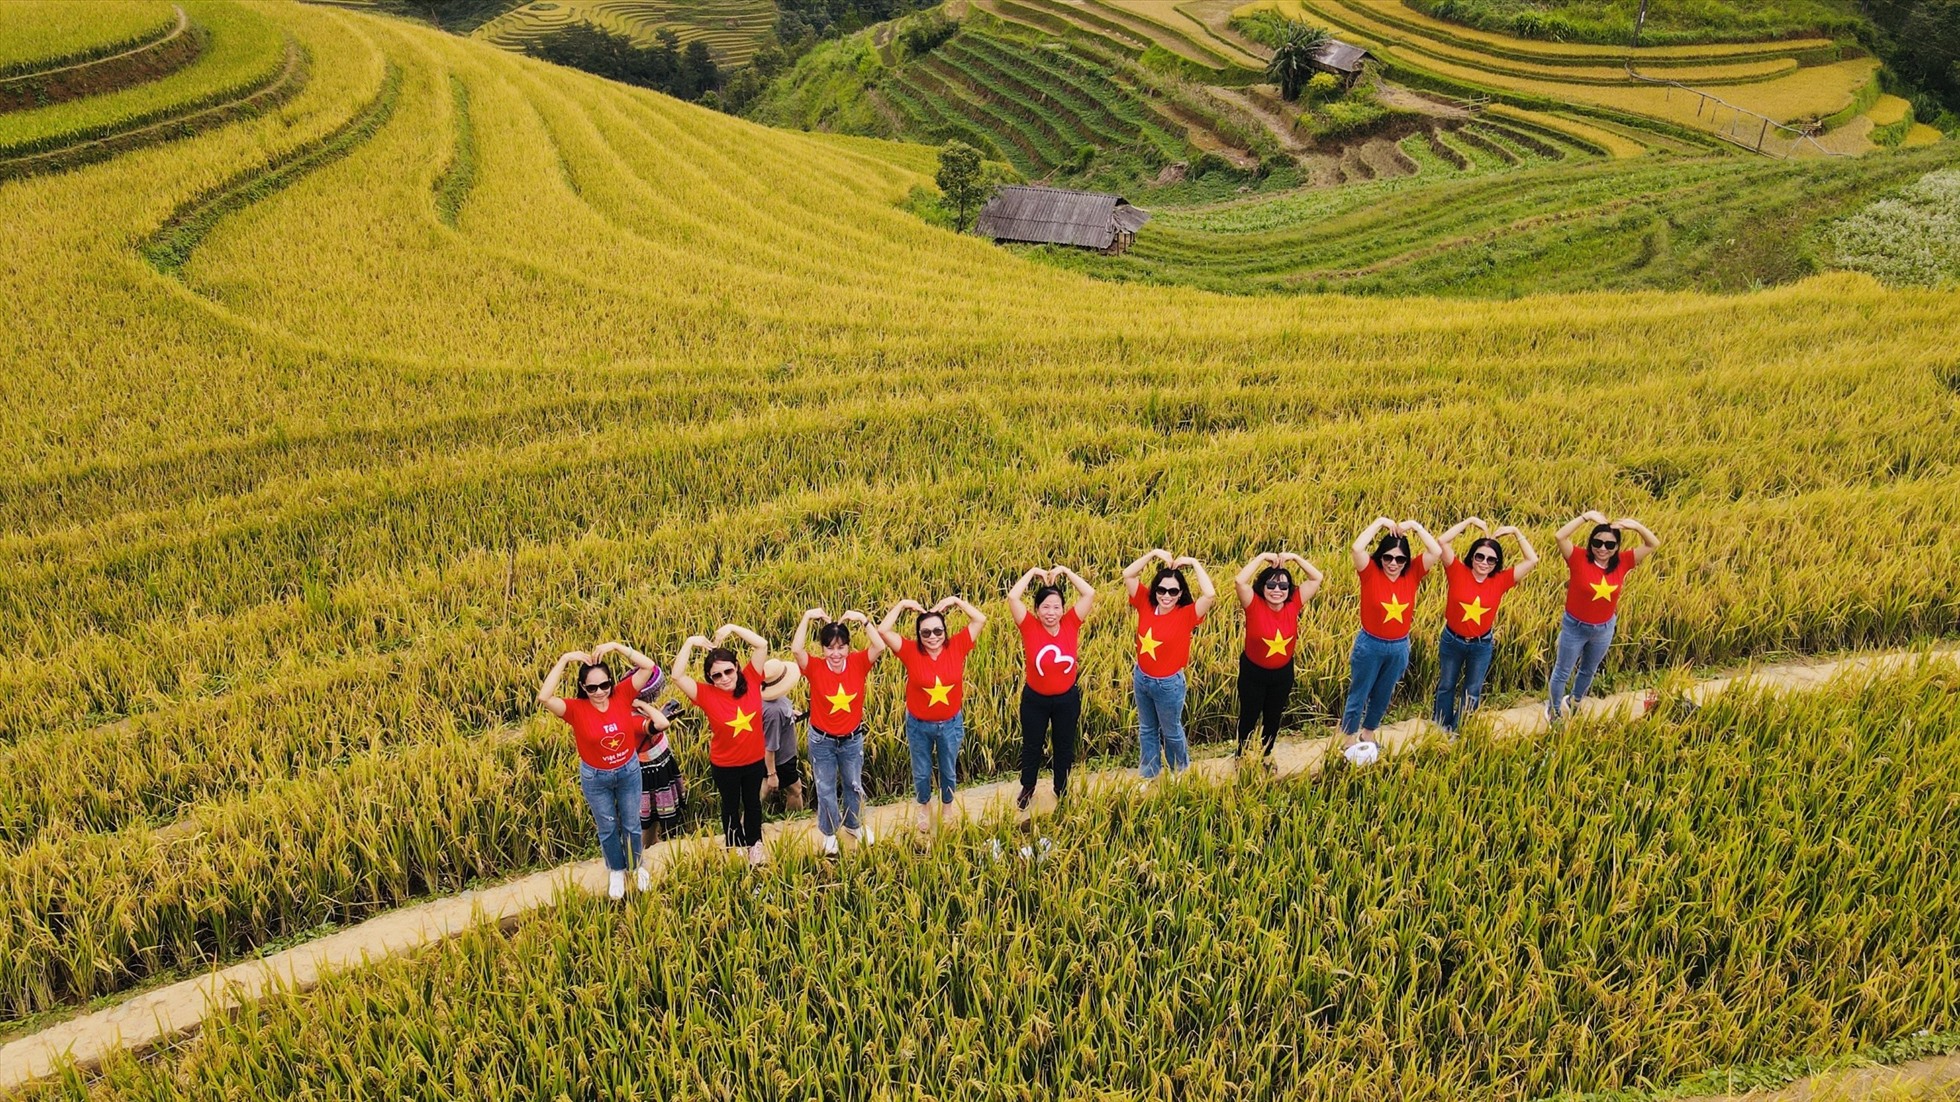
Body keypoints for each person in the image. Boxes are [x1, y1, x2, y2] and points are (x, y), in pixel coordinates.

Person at [536, 641, 661, 900]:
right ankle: (616, 869)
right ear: (583, 688)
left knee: (631, 824)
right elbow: (545, 697)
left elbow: (649, 666)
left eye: (605, 685)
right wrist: (564, 659)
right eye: (592, 687)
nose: (600, 691)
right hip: (596, 777)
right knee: (607, 826)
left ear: (611, 683)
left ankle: (637, 867)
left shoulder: (622, 695)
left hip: (628, 771)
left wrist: (617, 647)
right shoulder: (575, 709)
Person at [876, 595, 986, 833]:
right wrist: (903, 604)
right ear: (919, 635)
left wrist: (956, 601)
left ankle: (947, 806)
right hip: (918, 725)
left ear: (945, 631)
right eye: (926, 633)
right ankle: (924, 806)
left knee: (948, 768)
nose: (933, 637)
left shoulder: (956, 647)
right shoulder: (910, 652)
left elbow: (980, 619)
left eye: (938, 631)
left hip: (950, 724)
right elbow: (883, 630)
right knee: (922, 770)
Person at [672, 625, 776, 866]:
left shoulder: (751, 679)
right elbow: (677, 676)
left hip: (753, 760)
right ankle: (735, 844)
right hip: (725, 764)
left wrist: (731, 628)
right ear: (710, 678)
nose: (724, 678)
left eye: (728, 671)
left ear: (737, 668)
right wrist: (689, 642)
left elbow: (761, 644)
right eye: (716, 675)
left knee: (752, 803)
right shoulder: (706, 694)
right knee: (729, 805)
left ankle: (755, 843)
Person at [1341, 517, 1443, 757]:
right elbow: (1357, 548)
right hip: (1370, 644)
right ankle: (1348, 740)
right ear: (1381, 557)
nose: (1393, 563)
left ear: (1406, 560)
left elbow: (1435, 551)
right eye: (1388, 557)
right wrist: (1380, 522)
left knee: (1384, 693)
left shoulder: (1413, 574)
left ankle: (1368, 734)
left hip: (1399, 647)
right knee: (1360, 692)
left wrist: (1415, 527)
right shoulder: (1370, 573)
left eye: (1399, 558)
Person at [791, 608, 886, 856]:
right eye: (830, 648)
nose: (836, 653)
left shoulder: (858, 663)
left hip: (852, 739)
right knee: (825, 788)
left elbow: (879, 646)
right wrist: (806, 617)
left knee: (854, 784)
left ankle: (854, 825)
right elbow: (796, 650)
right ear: (822, 649)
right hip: (822, 740)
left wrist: (863, 619)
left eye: (841, 647)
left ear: (848, 648)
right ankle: (829, 832)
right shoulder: (815, 668)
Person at [1548, 511, 1660, 719]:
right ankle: (1553, 710)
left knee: (1589, 670)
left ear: (1617, 547)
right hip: (1575, 626)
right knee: (1563, 672)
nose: (1602, 548)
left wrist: (1635, 525)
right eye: (1597, 543)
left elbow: (1653, 543)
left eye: (1609, 545)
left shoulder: (1624, 562)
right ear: (1591, 543)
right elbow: (1559, 536)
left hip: (1604, 628)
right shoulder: (1578, 557)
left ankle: (1575, 701)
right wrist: (1586, 517)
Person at [1431, 518, 1539, 732]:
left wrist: (1516, 531)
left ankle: (1458, 729)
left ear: (1496, 564)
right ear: (1472, 556)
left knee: (1472, 689)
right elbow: (1441, 542)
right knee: (1446, 685)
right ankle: (1441, 726)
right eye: (1480, 556)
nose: (1484, 562)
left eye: (1491, 560)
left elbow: (1532, 560)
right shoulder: (1457, 571)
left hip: (1482, 644)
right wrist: (1469, 521)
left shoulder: (1500, 580)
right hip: (1452, 639)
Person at [1006, 565, 1096, 810]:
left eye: (1056, 606)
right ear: (1036, 610)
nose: (1051, 612)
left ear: (1063, 609)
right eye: (1045, 606)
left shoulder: (1070, 623)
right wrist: (1033, 573)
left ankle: (1061, 786)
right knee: (1032, 745)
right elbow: (1013, 597)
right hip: (1035, 700)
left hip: (1067, 699)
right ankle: (1028, 787)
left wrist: (1066, 572)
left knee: (1064, 744)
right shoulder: (1029, 626)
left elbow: (1089, 593)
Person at [1122, 548, 1216, 779]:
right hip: (1142, 677)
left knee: (1171, 730)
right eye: (1161, 589)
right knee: (1146, 729)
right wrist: (1153, 554)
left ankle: (1180, 771)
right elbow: (1128, 575)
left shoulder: (1186, 614)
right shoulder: (1145, 603)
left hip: (1169, 684)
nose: (1166, 595)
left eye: (1173, 591)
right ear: (1155, 590)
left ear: (1180, 593)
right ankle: (1149, 773)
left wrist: (1193, 562)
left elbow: (1210, 595)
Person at [1233, 551, 1323, 759]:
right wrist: (1262, 557)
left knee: (1273, 717)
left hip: (1282, 673)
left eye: (1283, 586)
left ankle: (1266, 755)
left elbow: (1316, 577)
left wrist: (1296, 558)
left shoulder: (1293, 604)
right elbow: (1240, 581)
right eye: (1271, 585)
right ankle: (1241, 755)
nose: (1277, 590)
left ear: (1289, 589)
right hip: (1253, 673)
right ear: (1262, 587)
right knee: (1249, 716)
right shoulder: (1253, 604)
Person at [760, 659, 805, 816]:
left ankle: (747, 824)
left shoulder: (769, 699)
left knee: (761, 793)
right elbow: (770, 746)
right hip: (781, 760)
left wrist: (790, 714)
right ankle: (795, 821)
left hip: (776, 759)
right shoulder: (774, 712)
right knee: (795, 789)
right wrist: (773, 774)